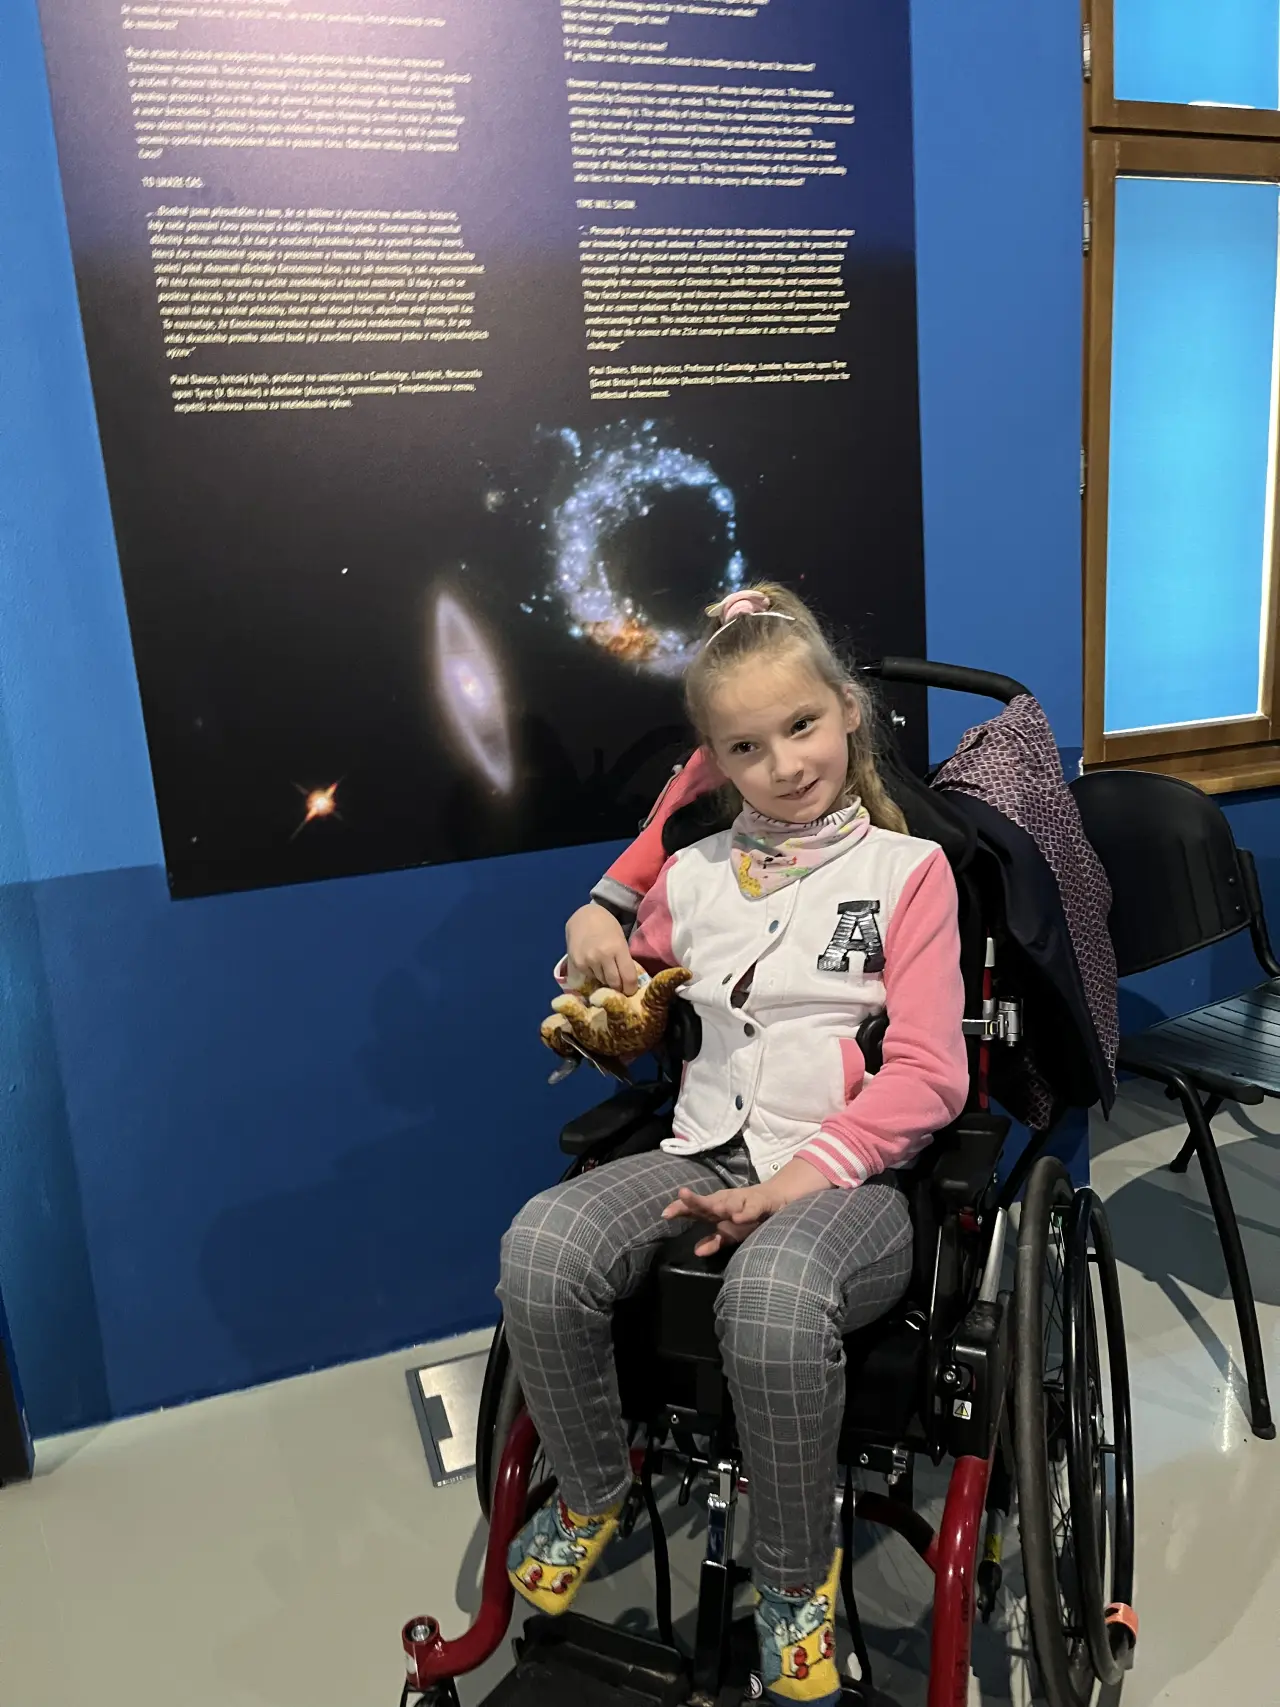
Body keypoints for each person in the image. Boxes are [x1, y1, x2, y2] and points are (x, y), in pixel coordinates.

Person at [497, 584, 967, 1706]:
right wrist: (593, 949)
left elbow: (930, 1075)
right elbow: (628, 992)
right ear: (713, 763)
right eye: (747, 747)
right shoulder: (695, 873)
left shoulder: (909, 875)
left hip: (849, 1177)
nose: (785, 764)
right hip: (706, 1144)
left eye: (802, 726)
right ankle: (592, 1487)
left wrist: (793, 1184)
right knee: (540, 1245)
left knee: (767, 1300)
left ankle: (797, 1585)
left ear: (846, 711)